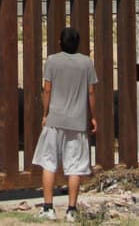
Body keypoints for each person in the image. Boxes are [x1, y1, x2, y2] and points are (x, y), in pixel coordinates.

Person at [32, 27, 97, 221]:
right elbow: (91, 92)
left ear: (60, 42)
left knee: (49, 163)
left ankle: (48, 206)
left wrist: (45, 113)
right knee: (75, 166)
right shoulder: (87, 62)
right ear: (78, 44)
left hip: (55, 118)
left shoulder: (52, 61)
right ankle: (71, 210)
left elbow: (47, 89)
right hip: (77, 121)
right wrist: (92, 116)